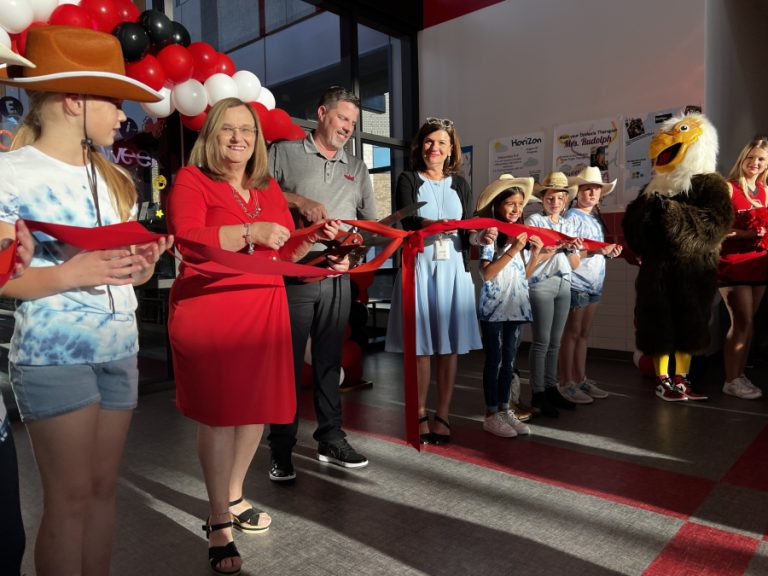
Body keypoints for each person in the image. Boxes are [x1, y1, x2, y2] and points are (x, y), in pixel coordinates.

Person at [0, 26, 171, 576]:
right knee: (69, 501)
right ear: (75, 99)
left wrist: (140, 269)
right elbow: (4, 280)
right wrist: (73, 273)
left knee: (102, 494)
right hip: (55, 356)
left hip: (120, 349)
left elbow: (119, 271)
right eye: (115, 102)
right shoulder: (9, 174)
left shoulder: (115, 177)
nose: (124, 116)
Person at [167, 97, 341, 574]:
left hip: (263, 306)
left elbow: (285, 252)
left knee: (254, 414)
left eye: (247, 129)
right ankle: (218, 517)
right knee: (222, 417)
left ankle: (236, 495)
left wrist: (322, 248)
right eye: (227, 129)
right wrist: (250, 233)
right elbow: (187, 238)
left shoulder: (266, 188)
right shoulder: (192, 180)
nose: (239, 138)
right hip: (212, 310)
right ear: (211, 137)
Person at [267, 86, 376, 480]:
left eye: (353, 123)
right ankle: (281, 448)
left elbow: (369, 227)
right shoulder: (284, 152)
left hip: (336, 278)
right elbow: (259, 193)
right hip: (293, 276)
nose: (348, 127)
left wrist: (354, 252)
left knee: (329, 364)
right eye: (343, 118)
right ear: (321, 114)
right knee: (288, 366)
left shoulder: (358, 168)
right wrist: (300, 202)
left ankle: (331, 439)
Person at [386, 117, 482, 444]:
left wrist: (483, 236)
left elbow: (468, 230)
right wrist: (432, 223)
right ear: (420, 146)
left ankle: (443, 413)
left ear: (451, 148)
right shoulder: (407, 178)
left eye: (441, 143)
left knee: (449, 347)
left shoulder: (462, 185)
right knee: (421, 347)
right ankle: (419, 413)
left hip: (453, 270)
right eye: (429, 142)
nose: (434, 148)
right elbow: (405, 216)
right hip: (421, 268)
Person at [474, 174, 540, 437]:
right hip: (493, 309)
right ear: (498, 205)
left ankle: (505, 409)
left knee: (510, 361)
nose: (516, 209)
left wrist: (534, 254)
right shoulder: (490, 234)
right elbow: (487, 273)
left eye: (520, 204)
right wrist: (513, 248)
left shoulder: (519, 235)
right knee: (496, 360)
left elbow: (523, 275)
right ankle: (491, 414)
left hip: (516, 306)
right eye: (510, 203)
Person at [559, 166, 623, 402]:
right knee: (572, 333)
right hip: (577, 283)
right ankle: (566, 382)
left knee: (583, 333)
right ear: (577, 191)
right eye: (587, 189)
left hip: (594, 283)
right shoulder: (571, 217)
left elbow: (593, 251)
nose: (592, 193)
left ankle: (580, 378)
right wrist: (599, 250)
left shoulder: (595, 219)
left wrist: (607, 252)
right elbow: (569, 253)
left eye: (596, 189)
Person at [526, 172, 583, 417]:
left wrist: (572, 249)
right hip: (541, 282)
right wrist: (555, 247)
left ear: (566, 199)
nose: (556, 202)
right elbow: (532, 258)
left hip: (564, 282)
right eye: (551, 197)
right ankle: (538, 393)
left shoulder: (569, 224)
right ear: (542, 198)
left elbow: (575, 264)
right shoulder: (533, 221)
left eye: (561, 197)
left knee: (555, 342)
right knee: (541, 341)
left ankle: (551, 388)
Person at [717, 137, 768, 399]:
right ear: (742, 159)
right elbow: (718, 229)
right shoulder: (728, 188)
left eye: (761, 159)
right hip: (733, 263)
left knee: (750, 324)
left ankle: (739, 375)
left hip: (759, 262)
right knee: (742, 321)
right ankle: (731, 380)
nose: (755, 163)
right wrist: (746, 234)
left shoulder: (765, 191)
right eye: (751, 157)